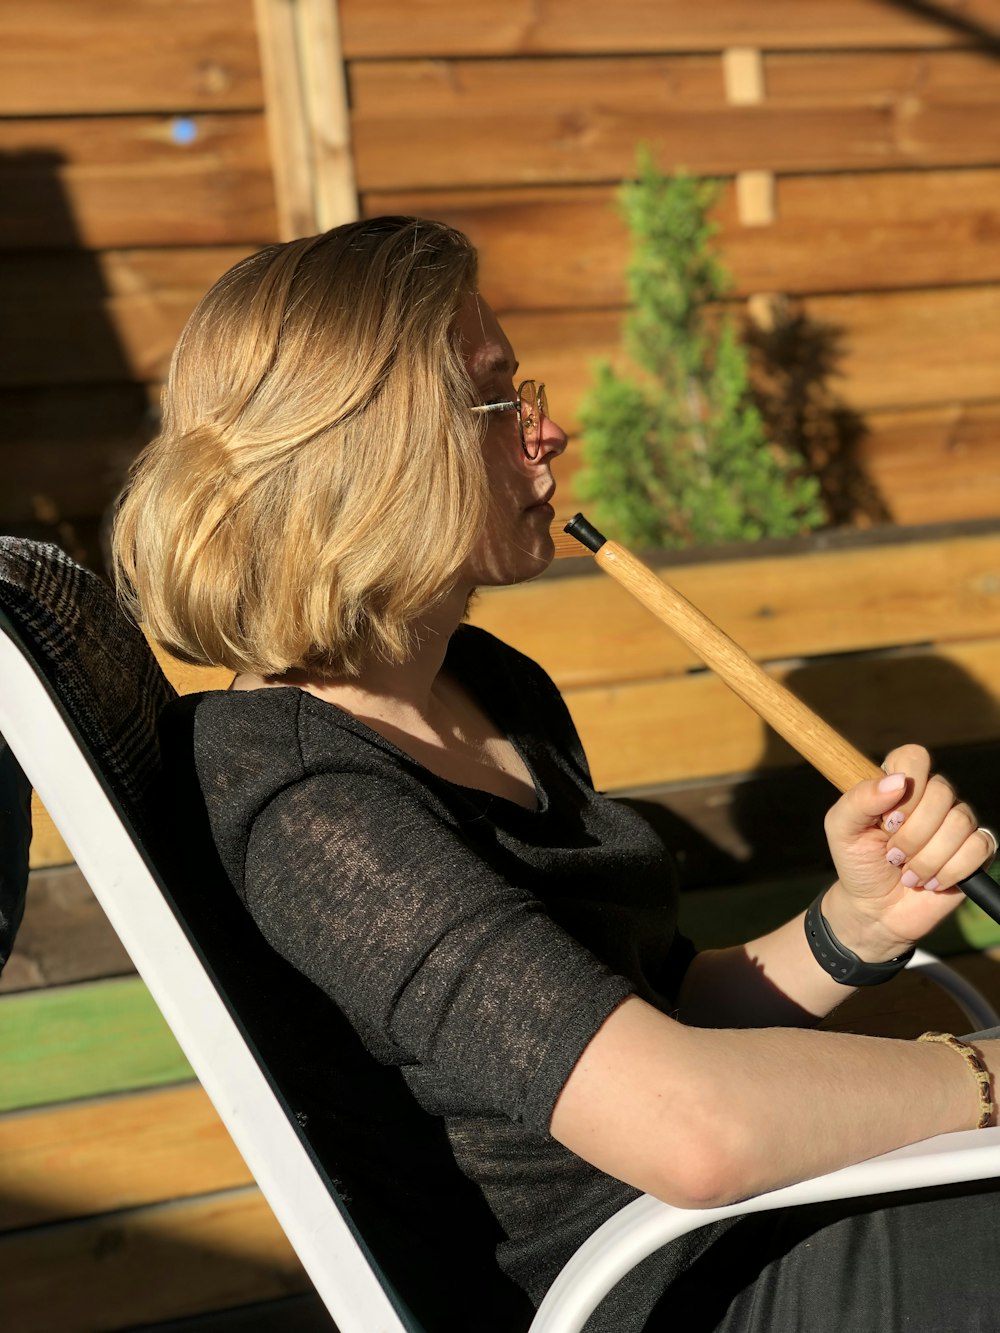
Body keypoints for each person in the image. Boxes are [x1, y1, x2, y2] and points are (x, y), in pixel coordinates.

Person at [112, 216, 1000, 1332]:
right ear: (378, 446)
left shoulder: (487, 686)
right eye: (499, 400)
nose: (551, 430)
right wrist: (981, 1080)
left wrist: (852, 927)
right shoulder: (308, 806)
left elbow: (650, 1011)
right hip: (668, 1286)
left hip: (746, 1224)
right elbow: (690, 1129)